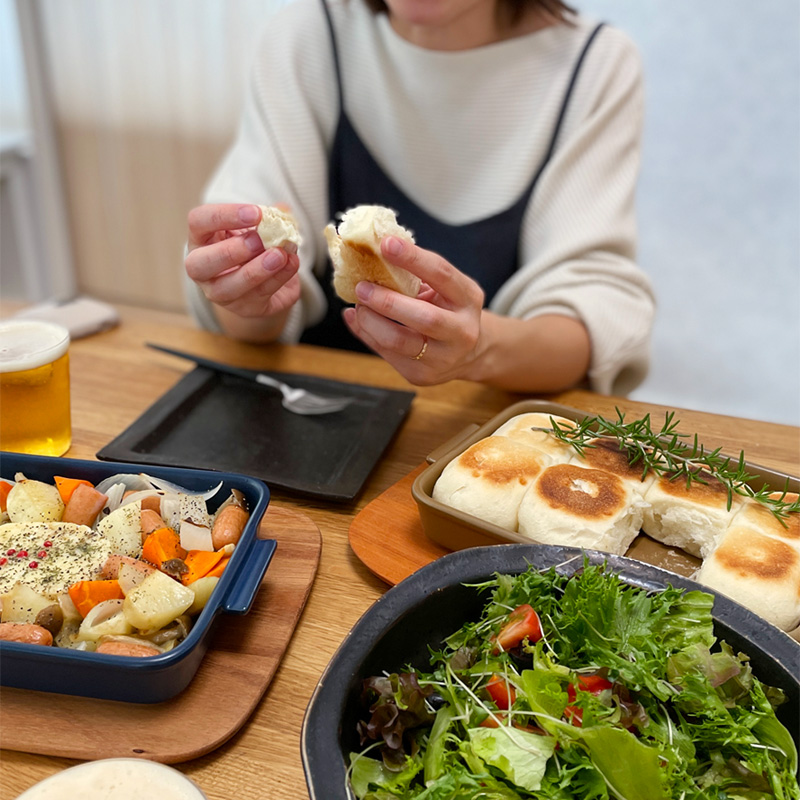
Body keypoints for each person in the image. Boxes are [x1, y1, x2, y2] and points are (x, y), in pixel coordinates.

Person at [184, 0, 655, 395]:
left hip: (482, 445)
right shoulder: (310, 35)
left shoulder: (594, 63)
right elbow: (254, 323)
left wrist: (481, 347)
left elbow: (588, 321)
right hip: (307, 426)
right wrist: (248, 294)